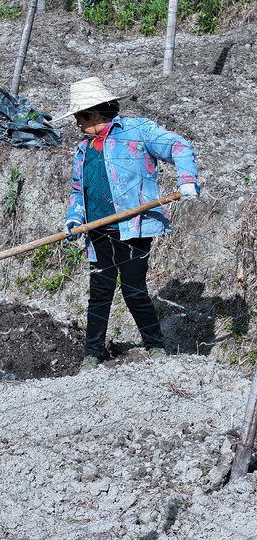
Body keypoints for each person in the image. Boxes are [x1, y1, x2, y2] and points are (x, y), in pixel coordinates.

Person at [57, 77, 199, 372]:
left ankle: (155, 347)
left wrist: (187, 180)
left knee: (134, 289)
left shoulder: (137, 131)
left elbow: (179, 146)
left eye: (78, 116)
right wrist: (74, 216)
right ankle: (92, 354)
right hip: (97, 230)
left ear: (93, 114)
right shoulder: (84, 150)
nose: (76, 123)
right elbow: (79, 190)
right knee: (100, 292)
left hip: (134, 228)